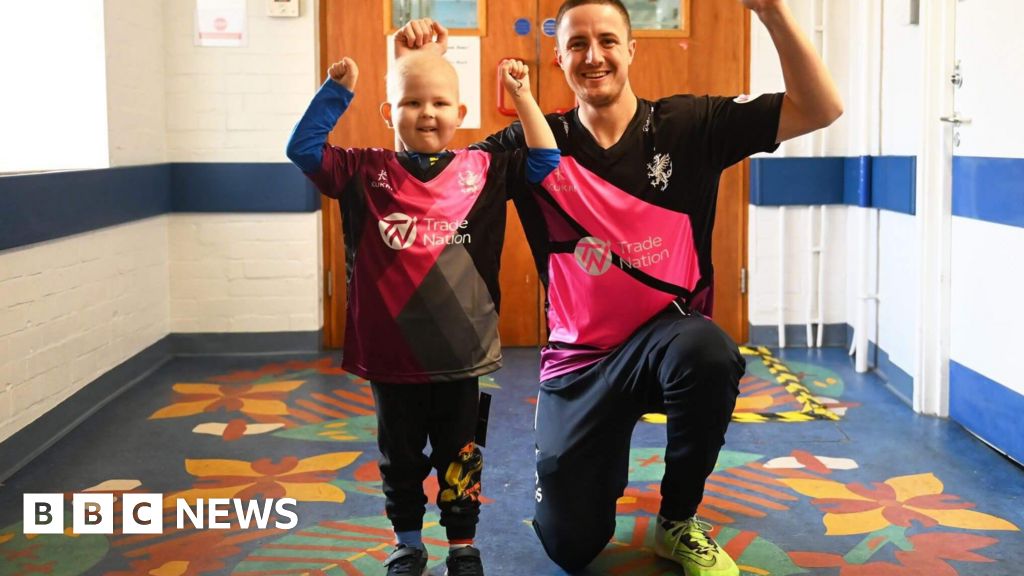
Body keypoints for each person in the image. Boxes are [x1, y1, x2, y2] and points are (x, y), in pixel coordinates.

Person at [395, 1, 842, 574]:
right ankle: (591, 465)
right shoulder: (534, 141)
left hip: (667, 344)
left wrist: (773, 13)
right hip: (578, 361)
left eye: (607, 40)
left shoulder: (690, 125)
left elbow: (821, 107)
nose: (593, 55)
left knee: (709, 353)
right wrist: (418, 69)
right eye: (577, 44)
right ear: (559, 59)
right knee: (570, 547)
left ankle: (678, 520)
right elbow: (432, 186)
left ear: (632, 49)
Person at [285, 46, 559, 576]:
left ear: (461, 114)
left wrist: (522, 94)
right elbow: (303, 148)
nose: (427, 113)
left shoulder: (483, 169)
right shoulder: (362, 171)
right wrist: (335, 92)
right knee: (401, 460)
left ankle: (462, 545)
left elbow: (546, 160)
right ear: (389, 113)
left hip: (462, 352)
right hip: (390, 356)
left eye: (440, 102)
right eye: (411, 102)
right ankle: (407, 543)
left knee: (460, 458)